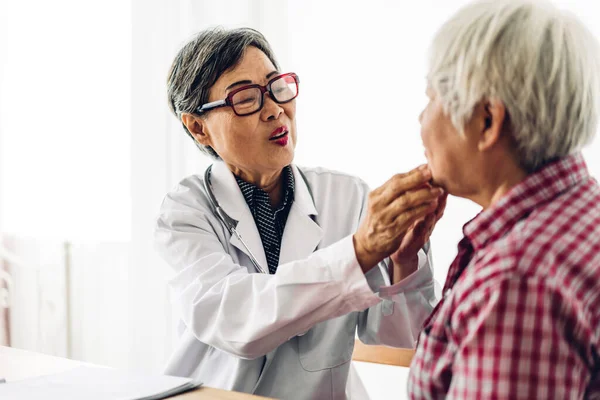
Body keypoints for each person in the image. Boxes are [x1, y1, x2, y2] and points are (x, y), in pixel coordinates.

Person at [155, 27, 445, 399]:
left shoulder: (347, 195)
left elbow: (399, 334)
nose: (275, 109)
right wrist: (358, 253)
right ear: (198, 127)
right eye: (245, 99)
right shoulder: (185, 212)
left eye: (277, 87)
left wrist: (405, 265)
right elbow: (237, 321)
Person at [408, 0, 600, 398]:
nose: (421, 120)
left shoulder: (517, 281)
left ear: (488, 121)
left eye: (430, 99)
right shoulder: (584, 211)